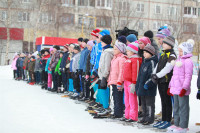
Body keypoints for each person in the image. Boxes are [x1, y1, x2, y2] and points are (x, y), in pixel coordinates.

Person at [167, 41, 194, 133]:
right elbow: (174, 76)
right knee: (176, 107)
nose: (179, 53)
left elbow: (188, 76)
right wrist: (170, 86)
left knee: (183, 107)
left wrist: (184, 88)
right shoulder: (178, 60)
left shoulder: (188, 61)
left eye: (181, 51)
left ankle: (183, 126)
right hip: (175, 88)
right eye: (179, 51)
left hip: (182, 89)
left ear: (186, 51)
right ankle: (177, 124)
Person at [152, 36, 177, 129]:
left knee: (167, 102)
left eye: (165, 43)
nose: (162, 44)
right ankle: (163, 119)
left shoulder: (172, 55)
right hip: (160, 81)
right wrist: (153, 73)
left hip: (166, 81)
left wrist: (157, 75)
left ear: (170, 45)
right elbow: (158, 65)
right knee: (163, 101)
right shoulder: (163, 54)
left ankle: (167, 120)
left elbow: (168, 68)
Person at [136, 44, 158, 125]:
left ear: (151, 53)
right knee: (144, 104)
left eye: (146, 52)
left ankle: (150, 118)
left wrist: (148, 84)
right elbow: (140, 75)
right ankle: (145, 117)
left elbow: (153, 75)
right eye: (143, 52)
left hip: (149, 88)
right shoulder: (144, 62)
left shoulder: (152, 62)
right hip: (142, 88)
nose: (144, 54)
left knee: (149, 104)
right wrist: (138, 85)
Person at [121, 42, 142, 122]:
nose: (127, 52)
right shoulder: (128, 59)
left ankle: (133, 116)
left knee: (132, 100)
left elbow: (135, 72)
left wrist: (134, 83)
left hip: (131, 82)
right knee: (126, 99)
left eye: (128, 51)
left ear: (133, 51)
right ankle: (127, 115)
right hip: (126, 81)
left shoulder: (135, 60)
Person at [94, 35, 114, 117]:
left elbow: (107, 66)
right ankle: (103, 106)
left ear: (105, 42)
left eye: (102, 41)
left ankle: (106, 107)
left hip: (105, 76)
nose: (101, 43)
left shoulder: (108, 52)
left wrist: (104, 76)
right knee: (101, 90)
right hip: (101, 75)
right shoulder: (104, 51)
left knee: (104, 90)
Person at [107, 40, 126, 118]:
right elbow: (112, 70)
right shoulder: (115, 58)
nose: (113, 50)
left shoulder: (122, 58)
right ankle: (116, 111)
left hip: (118, 82)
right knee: (115, 97)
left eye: (115, 49)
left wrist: (119, 82)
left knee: (118, 98)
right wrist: (109, 79)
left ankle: (118, 113)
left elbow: (121, 71)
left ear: (120, 50)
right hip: (114, 81)